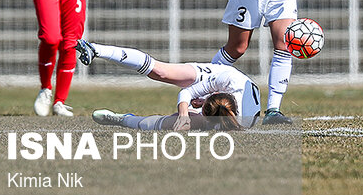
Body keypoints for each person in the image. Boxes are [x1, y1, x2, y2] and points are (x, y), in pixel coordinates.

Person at [75, 38, 260, 130]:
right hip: (216, 76)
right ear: (213, 94)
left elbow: (208, 114)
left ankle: (123, 119)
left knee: (175, 126)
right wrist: (184, 113)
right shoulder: (226, 79)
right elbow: (187, 93)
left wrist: (188, 119)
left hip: (220, 102)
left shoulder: (238, 124)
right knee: (160, 71)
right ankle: (95, 49)